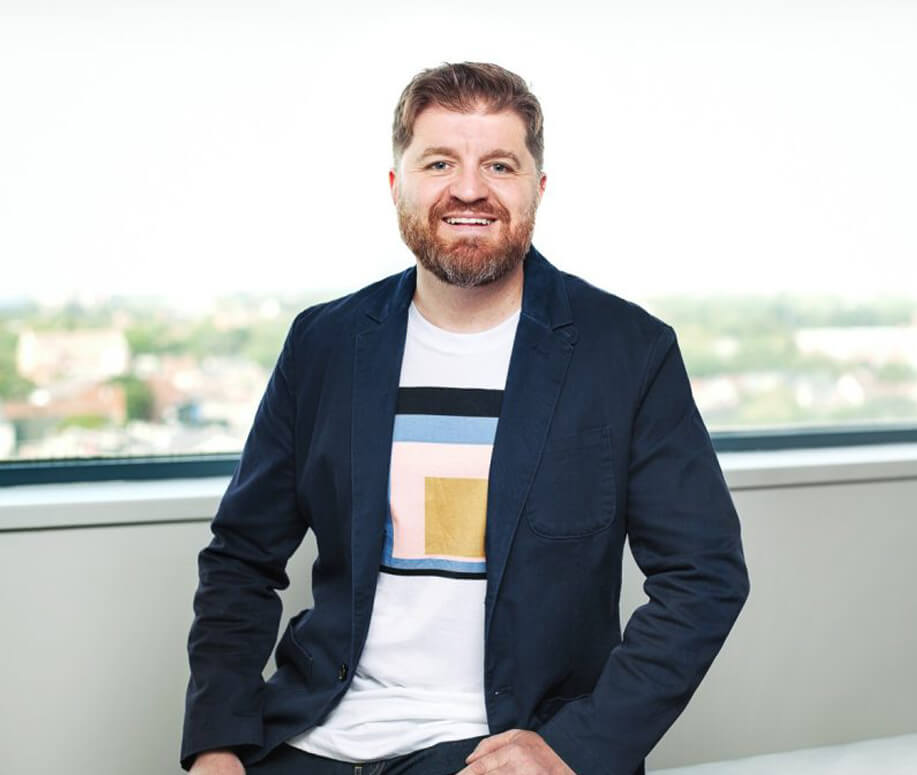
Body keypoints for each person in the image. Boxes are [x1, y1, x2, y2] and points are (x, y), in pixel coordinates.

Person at [183, 61, 749, 775]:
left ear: (538, 188)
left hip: (502, 747)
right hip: (312, 735)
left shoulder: (628, 352)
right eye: (440, 162)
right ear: (398, 185)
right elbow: (241, 557)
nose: (470, 189)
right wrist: (217, 745)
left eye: (500, 165)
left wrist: (576, 748)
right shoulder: (323, 344)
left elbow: (704, 575)